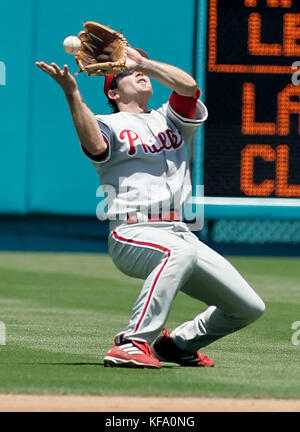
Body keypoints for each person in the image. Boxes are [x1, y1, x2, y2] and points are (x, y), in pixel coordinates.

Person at [36, 46, 265, 369]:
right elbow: (95, 145)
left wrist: (143, 62)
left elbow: (188, 87)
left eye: (138, 69)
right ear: (113, 92)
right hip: (132, 230)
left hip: (180, 233)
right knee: (177, 253)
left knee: (248, 307)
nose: (137, 73)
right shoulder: (107, 123)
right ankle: (131, 342)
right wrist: (73, 93)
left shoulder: (170, 118)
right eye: (126, 73)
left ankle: (178, 344)